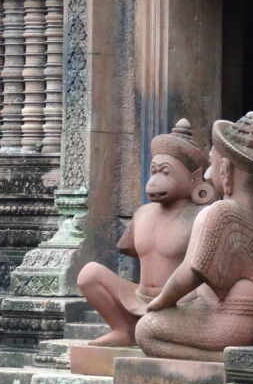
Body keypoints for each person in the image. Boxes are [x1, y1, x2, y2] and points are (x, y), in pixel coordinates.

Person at [135, 112, 253, 361]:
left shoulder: (221, 213)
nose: (208, 175)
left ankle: (226, 360)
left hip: (228, 326)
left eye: (212, 165)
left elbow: (189, 274)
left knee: (146, 330)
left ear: (226, 170)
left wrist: (160, 301)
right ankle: (239, 354)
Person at [78, 119, 213, 346]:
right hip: (138, 297)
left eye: (165, 172)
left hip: (179, 305)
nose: (154, 180)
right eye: (154, 171)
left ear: (194, 180)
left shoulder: (203, 216)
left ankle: (157, 330)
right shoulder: (142, 213)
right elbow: (131, 249)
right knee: (89, 274)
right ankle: (124, 329)